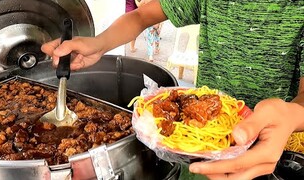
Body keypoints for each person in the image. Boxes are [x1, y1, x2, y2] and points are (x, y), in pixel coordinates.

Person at [41, 0, 304, 179]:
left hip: (276, 157)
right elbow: (143, 14)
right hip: (200, 151)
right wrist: (98, 44)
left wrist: (292, 115)